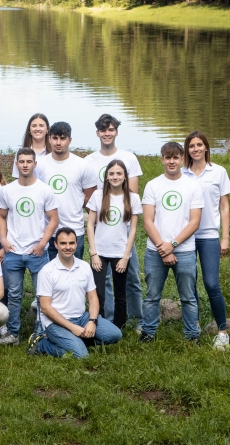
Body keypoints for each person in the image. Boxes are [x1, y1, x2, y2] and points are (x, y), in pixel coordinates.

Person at [84, 114, 144, 331]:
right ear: (97, 133)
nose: (107, 133)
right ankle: (105, 321)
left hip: (123, 231)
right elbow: (89, 196)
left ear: (116, 131)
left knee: (131, 279)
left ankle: (135, 320)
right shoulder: (89, 161)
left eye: (110, 129)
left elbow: (132, 194)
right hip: (102, 231)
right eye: (103, 130)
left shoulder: (128, 157)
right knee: (102, 283)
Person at [140, 142, 204, 343]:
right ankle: (148, 333)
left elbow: (194, 222)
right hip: (155, 251)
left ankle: (192, 335)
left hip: (184, 250)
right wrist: (163, 248)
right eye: (167, 158)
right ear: (162, 160)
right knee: (151, 296)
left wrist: (173, 245)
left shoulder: (192, 186)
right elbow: (147, 221)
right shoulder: (153, 185)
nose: (171, 161)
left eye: (175, 157)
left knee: (188, 297)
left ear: (182, 159)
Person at [0, 148, 58, 346]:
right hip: (13, 251)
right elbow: (1, 216)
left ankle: (41, 331)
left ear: (35, 164)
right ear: (16, 164)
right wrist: (3, 240)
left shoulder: (45, 190)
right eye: (21, 161)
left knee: (42, 295)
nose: (24, 164)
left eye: (28, 161)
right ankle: (13, 334)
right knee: (13, 295)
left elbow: (54, 219)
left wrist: (42, 243)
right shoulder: (7, 190)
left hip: (37, 251)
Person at [27, 228, 123, 358]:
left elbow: (93, 298)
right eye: (63, 243)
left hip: (81, 317)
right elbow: (45, 308)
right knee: (81, 355)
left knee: (115, 335)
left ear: (76, 244)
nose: (68, 247)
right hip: (56, 322)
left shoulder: (84, 267)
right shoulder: (47, 271)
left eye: (71, 243)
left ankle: (77, 341)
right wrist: (72, 327)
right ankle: (42, 343)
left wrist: (92, 321)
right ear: (56, 244)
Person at [182, 131, 230, 350]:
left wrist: (225, 238)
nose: (195, 149)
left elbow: (224, 206)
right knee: (189, 284)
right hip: (186, 237)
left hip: (209, 236)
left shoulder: (218, 172)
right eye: (191, 145)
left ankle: (222, 332)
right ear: (187, 149)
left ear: (206, 147)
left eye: (199, 145)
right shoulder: (182, 174)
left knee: (212, 283)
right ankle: (194, 326)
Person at [35, 122, 97, 260]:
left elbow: (90, 199)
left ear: (70, 140)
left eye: (62, 138)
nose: (58, 142)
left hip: (74, 230)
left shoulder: (82, 165)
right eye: (55, 138)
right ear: (49, 138)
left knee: (73, 274)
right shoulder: (39, 165)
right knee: (48, 275)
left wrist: (96, 224)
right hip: (46, 231)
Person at [12, 113, 51, 178]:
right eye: (34, 126)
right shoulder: (20, 154)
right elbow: (17, 179)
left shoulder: (54, 153)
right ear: (29, 130)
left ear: (47, 129)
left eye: (41, 125)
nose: (37, 129)